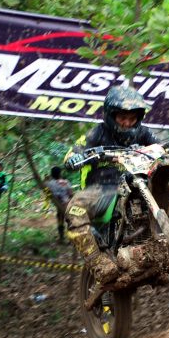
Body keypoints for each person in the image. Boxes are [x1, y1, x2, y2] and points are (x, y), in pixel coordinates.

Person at [64, 85, 158, 285]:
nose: (127, 123)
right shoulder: (96, 133)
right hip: (103, 188)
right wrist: (74, 158)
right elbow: (73, 152)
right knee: (74, 210)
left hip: (137, 185)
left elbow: (159, 147)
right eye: (122, 117)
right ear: (111, 115)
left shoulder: (143, 133)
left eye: (132, 118)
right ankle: (99, 263)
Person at [46, 166, 73, 243]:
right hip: (67, 204)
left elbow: (47, 192)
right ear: (60, 173)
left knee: (60, 220)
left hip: (58, 204)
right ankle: (71, 239)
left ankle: (61, 238)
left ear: (52, 174)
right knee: (69, 221)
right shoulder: (66, 182)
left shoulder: (49, 184)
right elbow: (71, 193)